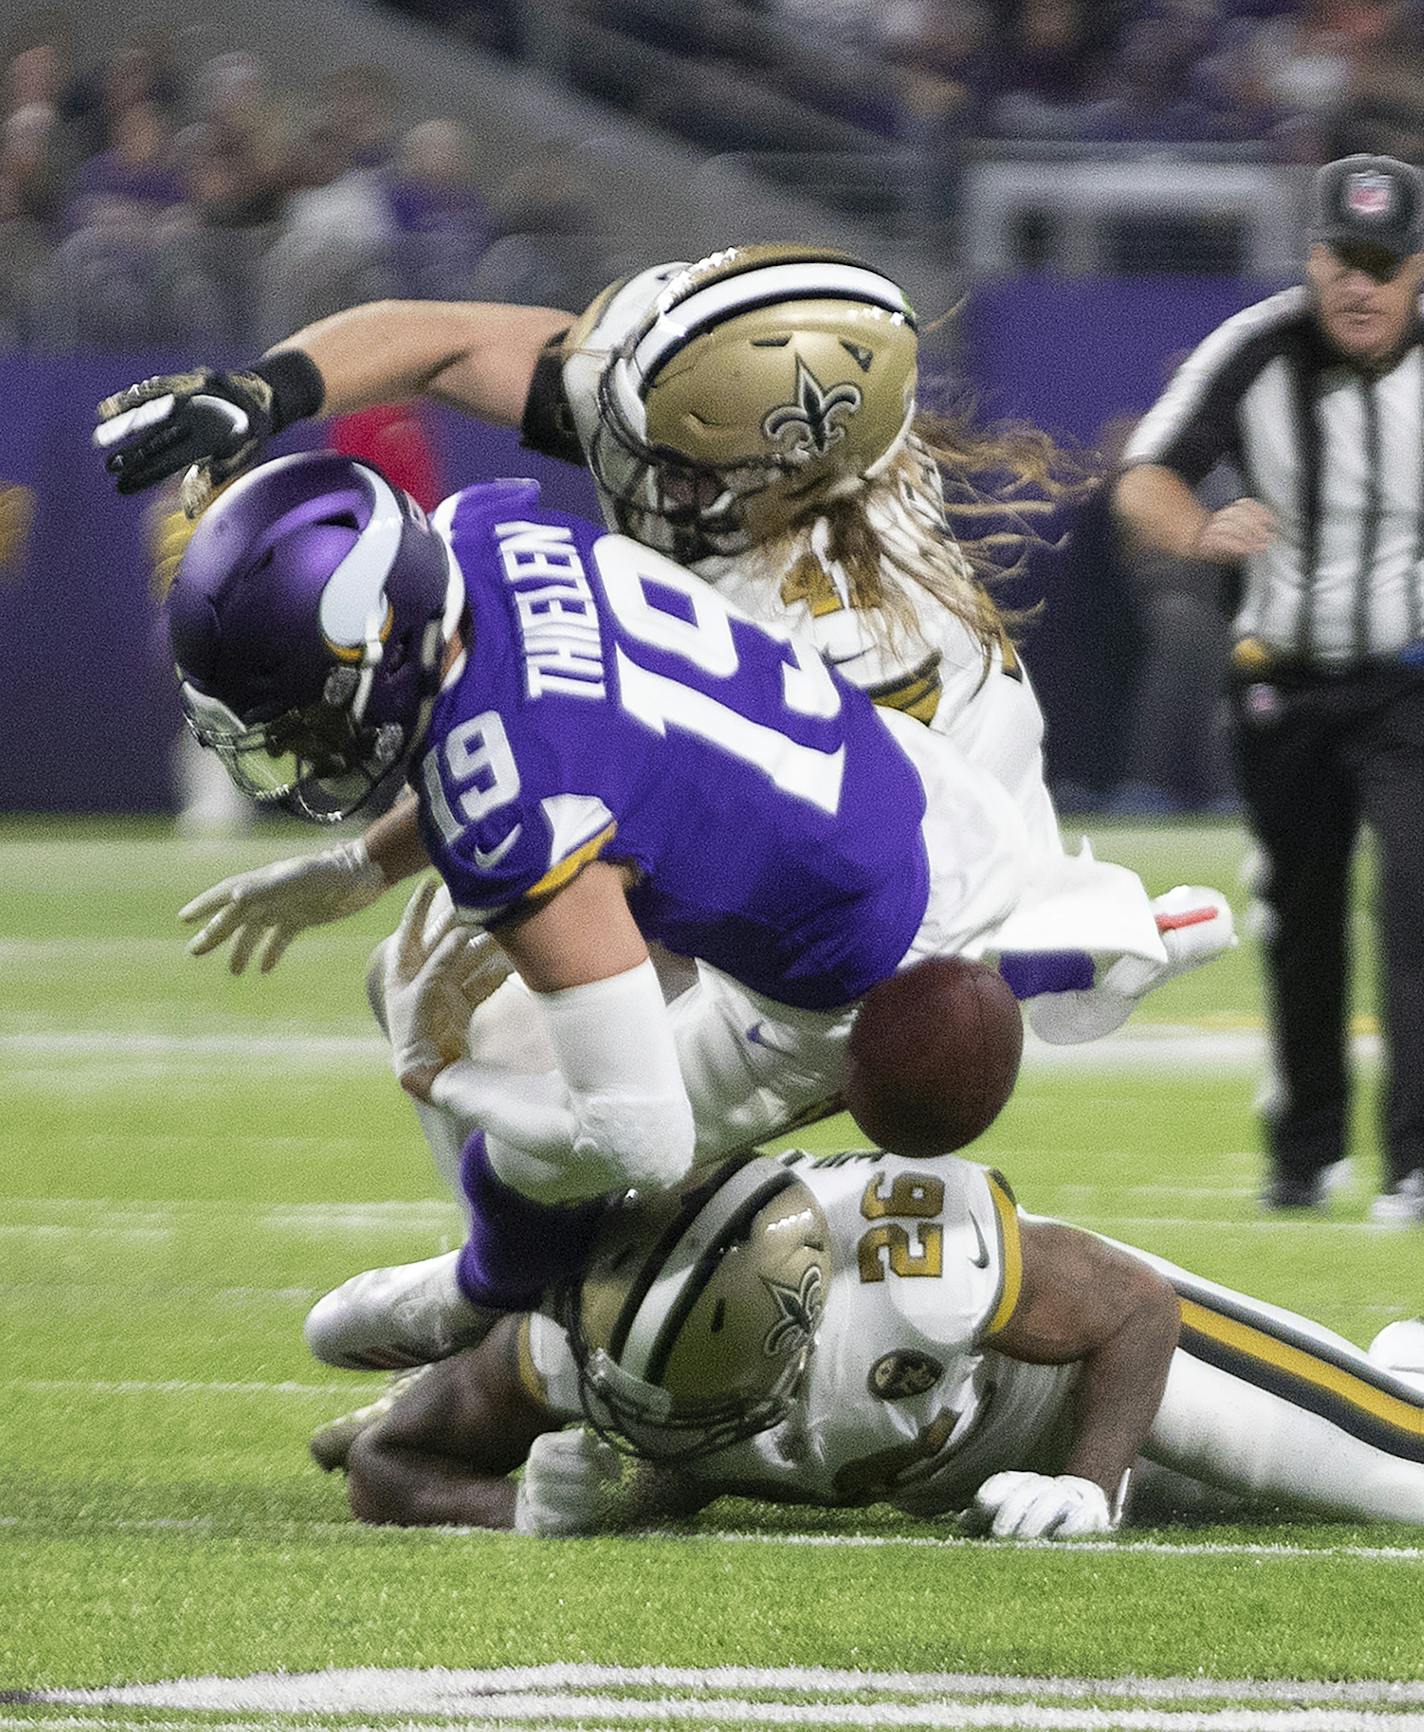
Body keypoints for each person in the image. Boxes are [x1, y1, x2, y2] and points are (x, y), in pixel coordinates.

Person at [150, 444, 1223, 1377]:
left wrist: (445, 1077)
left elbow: (638, 1133)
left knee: (526, 1146)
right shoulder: (484, 536)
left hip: (840, 965)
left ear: (377, 641)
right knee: (498, 961)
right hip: (902, 789)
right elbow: (539, 725)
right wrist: (363, 865)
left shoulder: (512, 799)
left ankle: (490, 1299)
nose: (294, 739)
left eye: (299, 708)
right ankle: (1101, 937)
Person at [92, 244, 1227, 1045]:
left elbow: (597, 781)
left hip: (905, 879)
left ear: (792, 469)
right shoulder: (702, 399)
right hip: (780, 789)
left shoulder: (827, 625)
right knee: (441, 970)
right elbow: (443, 342)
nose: (629, 464)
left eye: (679, 463)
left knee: (509, 1021)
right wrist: (261, 389)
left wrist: (383, 868)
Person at [310, 1145, 1424, 1539]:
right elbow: (384, 1465)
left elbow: (1133, 1307)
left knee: (1411, 1472)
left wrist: (1090, 1487)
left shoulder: (913, 1268)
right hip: (960, 1469)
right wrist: (513, 1512)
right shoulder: (566, 1343)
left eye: (695, 1404)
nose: (668, 1437)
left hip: (1092, 1385)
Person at [1113, 154, 1424, 1224]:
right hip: (1280, 682)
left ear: (1416, 268)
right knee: (1300, 921)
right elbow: (1144, 474)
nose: (1361, 287)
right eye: (1345, 259)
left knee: (1418, 907)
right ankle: (1304, 1157)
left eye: (1383, 265)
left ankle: (1416, 1163)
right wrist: (1195, 530)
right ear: (1312, 257)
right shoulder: (1252, 349)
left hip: (1407, 686)